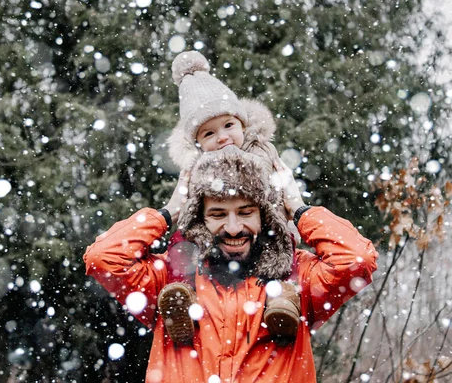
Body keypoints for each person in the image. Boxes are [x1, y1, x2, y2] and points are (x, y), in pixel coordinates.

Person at [83, 146, 378, 382]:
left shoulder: (296, 277)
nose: (234, 227)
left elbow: (357, 259)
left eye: (246, 211)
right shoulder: (172, 281)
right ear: (200, 219)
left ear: (265, 216)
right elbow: (103, 258)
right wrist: (170, 212)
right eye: (219, 214)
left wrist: (298, 209)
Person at [162, 50, 298, 344]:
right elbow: (189, 206)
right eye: (209, 134)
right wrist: (171, 212)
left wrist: (294, 208)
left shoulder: (260, 150)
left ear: (242, 124)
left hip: (266, 224)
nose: (222, 137)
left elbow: (278, 185)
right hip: (213, 240)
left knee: (284, 244)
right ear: (197, 143)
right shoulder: (196, 167)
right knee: (181, 244)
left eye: (228, 126)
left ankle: (283, 298)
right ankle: (182, 297)